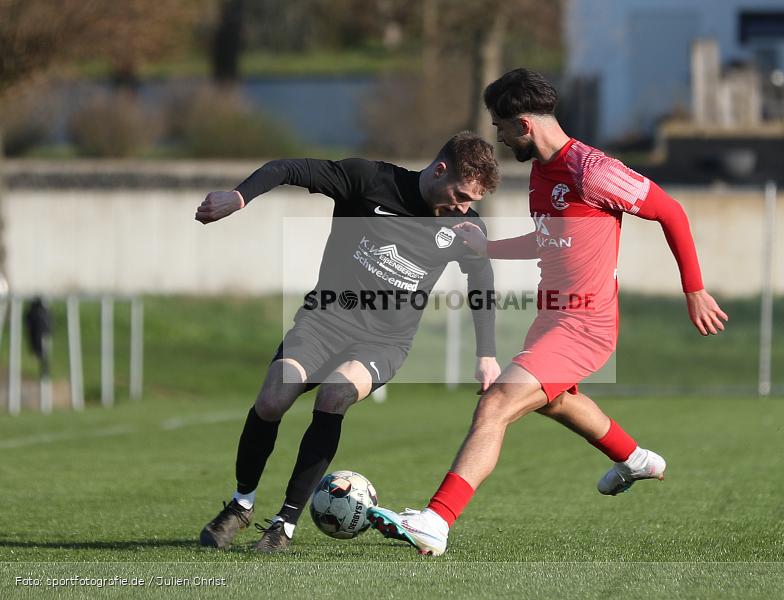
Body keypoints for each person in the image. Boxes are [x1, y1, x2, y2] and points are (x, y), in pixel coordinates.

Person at [368, 68, 729, 556]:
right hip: (552, 317)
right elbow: (548, 241)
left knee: (496, 404)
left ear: (523, 124)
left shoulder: (592, 169)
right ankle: (636, 458)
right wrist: (487, 249)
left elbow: (670, 211)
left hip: (585, 324)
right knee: (555, 401)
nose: (496, 136)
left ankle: (437, 520)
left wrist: (694, 289)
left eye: (499, 125)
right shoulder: (540, 172)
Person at [195, 132, 502, 552]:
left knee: (335, 395)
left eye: (472, 201)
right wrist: (239, 196)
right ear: (440, 169)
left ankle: (283, 525)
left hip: (384, 342)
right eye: (461, 195)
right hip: (324, 322)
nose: (464, 207)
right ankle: (241, 503)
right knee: (271, 400)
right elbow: (289, 167)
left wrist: (487, 353)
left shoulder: (464, 226)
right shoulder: (368, 179)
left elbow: (481, 281)